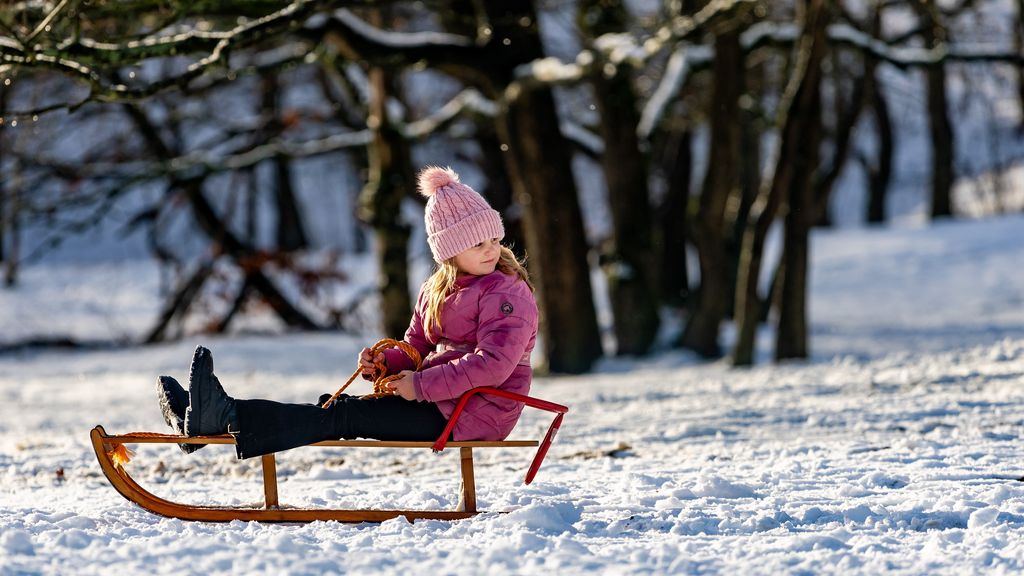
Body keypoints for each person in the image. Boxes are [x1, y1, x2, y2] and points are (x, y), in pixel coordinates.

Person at [156, 166, 539, 459]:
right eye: (477, 244)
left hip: (475, 412)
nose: (490, 250)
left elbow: (494, 364)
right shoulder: (437, 288)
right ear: (449, 251)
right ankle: (214, 417)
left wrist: (420, 386)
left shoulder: (507, 293)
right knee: (335, 409)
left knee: (343, 416)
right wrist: (385, 363)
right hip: (440, 401)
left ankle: (220, 417)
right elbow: (416, 345)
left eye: (493, 239)